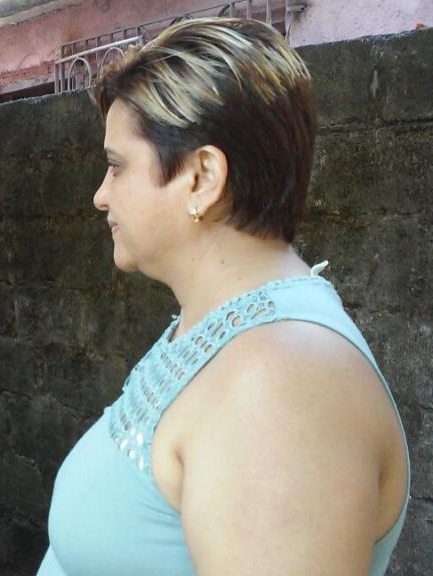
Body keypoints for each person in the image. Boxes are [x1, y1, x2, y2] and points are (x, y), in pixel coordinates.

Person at [40, 18, 410, 576]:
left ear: (202, 177)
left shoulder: (282, 385)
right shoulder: (228, 334)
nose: (100, 195)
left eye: (116, 167)